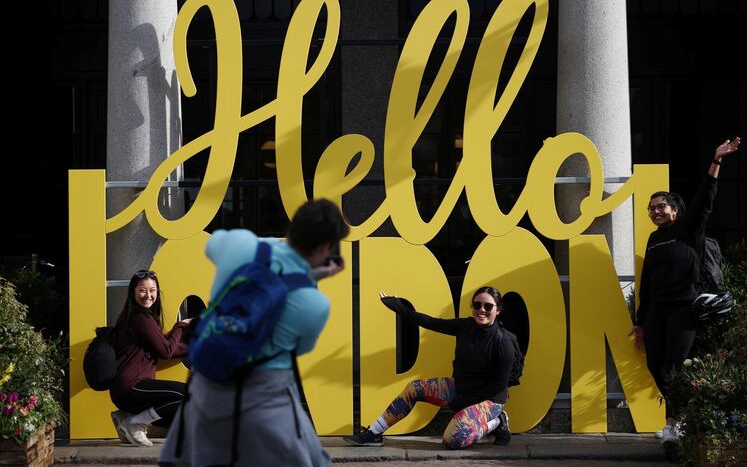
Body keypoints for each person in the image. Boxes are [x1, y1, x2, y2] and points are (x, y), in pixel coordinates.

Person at [159, 198, 348, 467]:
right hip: (267, 404)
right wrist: (310, 278)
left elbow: (212, 246)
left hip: (206, 394)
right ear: (328, 247)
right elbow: (300, 348)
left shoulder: (241, 245)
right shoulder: (313, 303)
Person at [629, 137, 741, 446]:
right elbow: (647, 282)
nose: (655, 211)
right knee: (656, 365)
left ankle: (673, 424)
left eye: (660, 206)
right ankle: (683, 416)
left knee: (675, 366)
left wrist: (716, 161)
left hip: (683, 308)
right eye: (651, 209)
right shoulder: (654, 239)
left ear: (675, 209)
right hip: (656, 311)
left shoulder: (688, 229)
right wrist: (639, 320)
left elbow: (705, 198)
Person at [345, 286, 514, 449]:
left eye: (488, 306)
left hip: (489, 399)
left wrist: (464, 401)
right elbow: (431, 322)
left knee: (452, 440)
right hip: (461, 388)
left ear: (498, 310)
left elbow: (498, 386)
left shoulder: (503, 341)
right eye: (477, 305)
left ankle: (498, 421)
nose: (481, 310)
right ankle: (374, 433)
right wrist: (399, 307)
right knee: (413, 388)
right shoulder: (466, 326)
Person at [111, 269, 191, 447]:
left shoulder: (137, 317)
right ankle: (136, 423)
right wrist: (181, 325)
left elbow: (164, 346)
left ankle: (128, 418)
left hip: (126, 388)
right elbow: (166, 351)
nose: (148, 295)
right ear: (133, 292)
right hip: (133, 386)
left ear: (157, 291)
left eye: (152, 290)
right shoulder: (141, 319)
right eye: (142, 290)